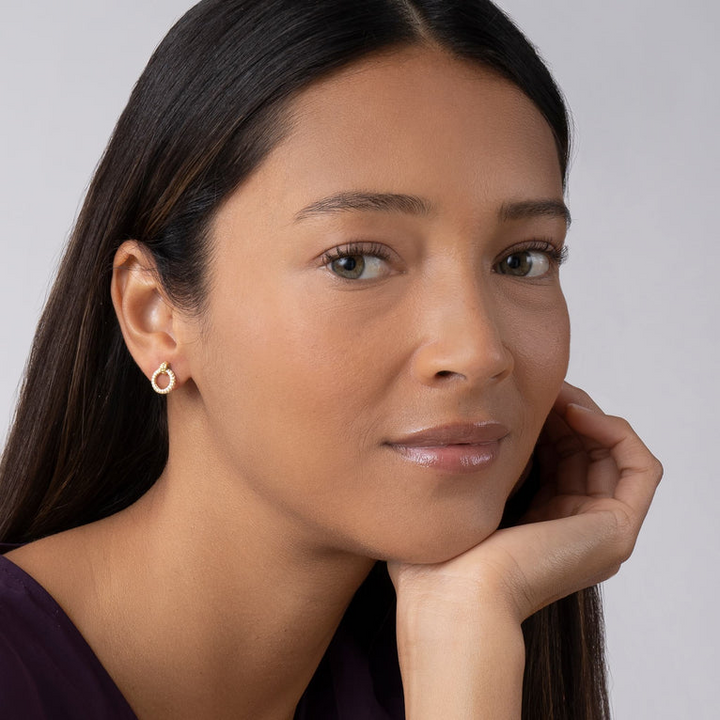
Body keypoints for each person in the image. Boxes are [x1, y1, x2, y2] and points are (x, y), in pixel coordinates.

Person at [0, 0, 663, 718]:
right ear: (154, 315)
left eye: (522, 258)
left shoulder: (442, 660)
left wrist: (464, 630)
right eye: (354, 261)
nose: (478, 352)